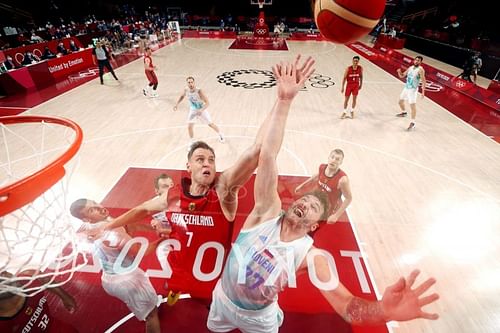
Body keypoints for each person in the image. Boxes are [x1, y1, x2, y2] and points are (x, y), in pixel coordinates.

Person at [207, 59, 439, 333]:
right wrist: (283, 101)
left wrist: (384, 310)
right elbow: (267, 153)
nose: (306, 201)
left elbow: (347, 306)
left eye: (315, 205)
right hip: (221, 301)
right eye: (306, 199)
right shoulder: (266, 212)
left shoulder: (310, 256)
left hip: (259, 321)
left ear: (315, 225)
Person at [70, 199, 162, 333]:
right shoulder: (114, 232)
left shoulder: (86, 228)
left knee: (147, 305)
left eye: (95, 203)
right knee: (151, 316)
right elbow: (140, 252)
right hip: (127, 281)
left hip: (110, 278)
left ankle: (150, 304)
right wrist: (165, 238)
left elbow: (129, 226)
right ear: (87, 218)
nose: (99, 207)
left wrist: (153, 228)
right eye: (92, 210)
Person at [0, 271, 77, 333]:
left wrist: (65, 296)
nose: (3, 275)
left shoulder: (27, 278)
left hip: (56, 327)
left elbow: (44, 279)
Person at [294, 149, 352, 223]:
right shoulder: (322, 167)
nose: (333, 160)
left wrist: (336, 216)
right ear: (328, 158)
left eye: (337, 159)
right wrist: (302, 185)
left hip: (327, 210)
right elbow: (317, 175)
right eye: (332, 157)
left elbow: (349, 198)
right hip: (315, 201)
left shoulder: (342, 180)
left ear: (341, 162)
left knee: (312, 228)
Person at [173, 76, 226, 146]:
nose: (190, 84)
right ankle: (192, 142)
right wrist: (177, 104)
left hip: (201, 109)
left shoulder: (199, 91)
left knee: (210, 124)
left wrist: (201, 110)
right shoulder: (186, 90)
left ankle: (220, 134)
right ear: (187, 83)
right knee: (189, 126)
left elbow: (207, 103)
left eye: (192, 82)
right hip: (193, 110)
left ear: (194, 83)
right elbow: (182, 96)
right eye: (189, 82)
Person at [395, 55, 426, 131]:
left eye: (418, 60)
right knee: (400, 102)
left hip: (413, 90)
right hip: (406, 88)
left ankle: (413, 122)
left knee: (412, 106)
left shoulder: (420, 70)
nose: (416, 61)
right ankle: (404, 112)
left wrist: (423, 92)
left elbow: (424, 81)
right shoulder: (410, 68)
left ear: (420, 62)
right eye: (415, 60)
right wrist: (399, 72)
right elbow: (402, 76)